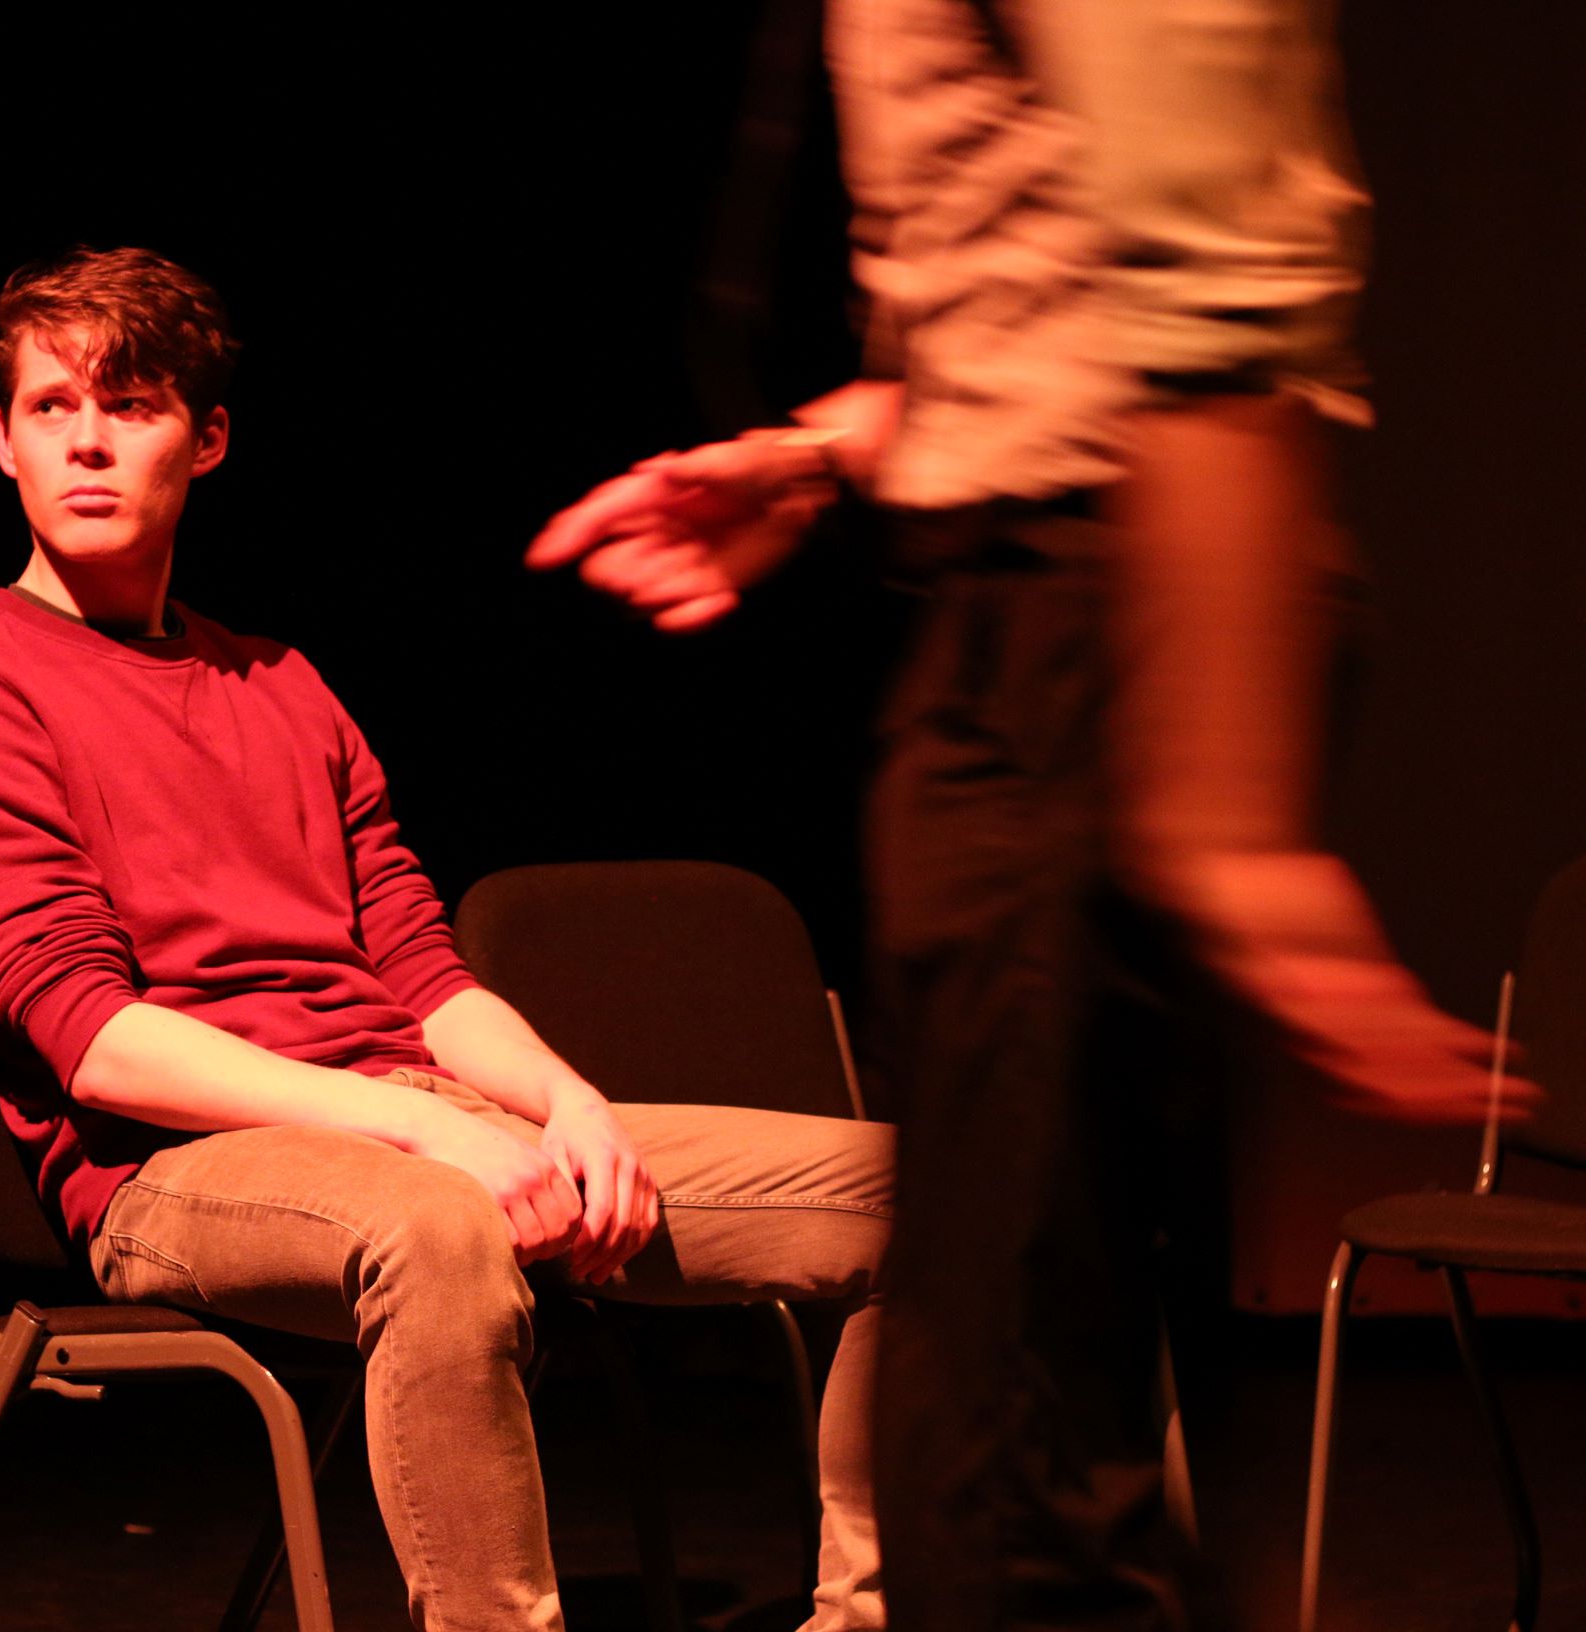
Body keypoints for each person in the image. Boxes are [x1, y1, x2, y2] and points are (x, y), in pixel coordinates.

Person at [526, 4, 1541, 1629]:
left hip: (1095, 618)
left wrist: (1221, 820)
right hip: (1028, 610)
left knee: (1010, 1453)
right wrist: (821, 450)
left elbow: (1210, 303)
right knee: (1010, 1399)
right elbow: (1027, 275)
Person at [0, 246, 895, 1632]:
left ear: (206, 439)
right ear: (4, 441)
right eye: (52, 408)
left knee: (925, 1198)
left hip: (414, 1111)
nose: (89, 442)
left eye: (133, 405)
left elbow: (420, 971)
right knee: (439, 1225)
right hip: (172, 1166)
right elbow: (96, 1045)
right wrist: (417, 1133)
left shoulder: (284, 685)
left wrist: (569, 1105)